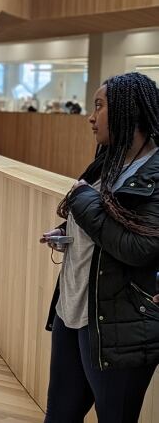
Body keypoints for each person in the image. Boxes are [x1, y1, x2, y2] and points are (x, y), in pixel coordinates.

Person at [40, 72, 159, 422]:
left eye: (99, 106)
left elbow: (139, 246)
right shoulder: (108, 160)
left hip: (118, 324)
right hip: (72, 311)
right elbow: (104, 220)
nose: (91, 117)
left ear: (127, 110)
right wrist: (68, 231)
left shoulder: (155, 171)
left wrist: (82, 200)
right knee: (58, 416)